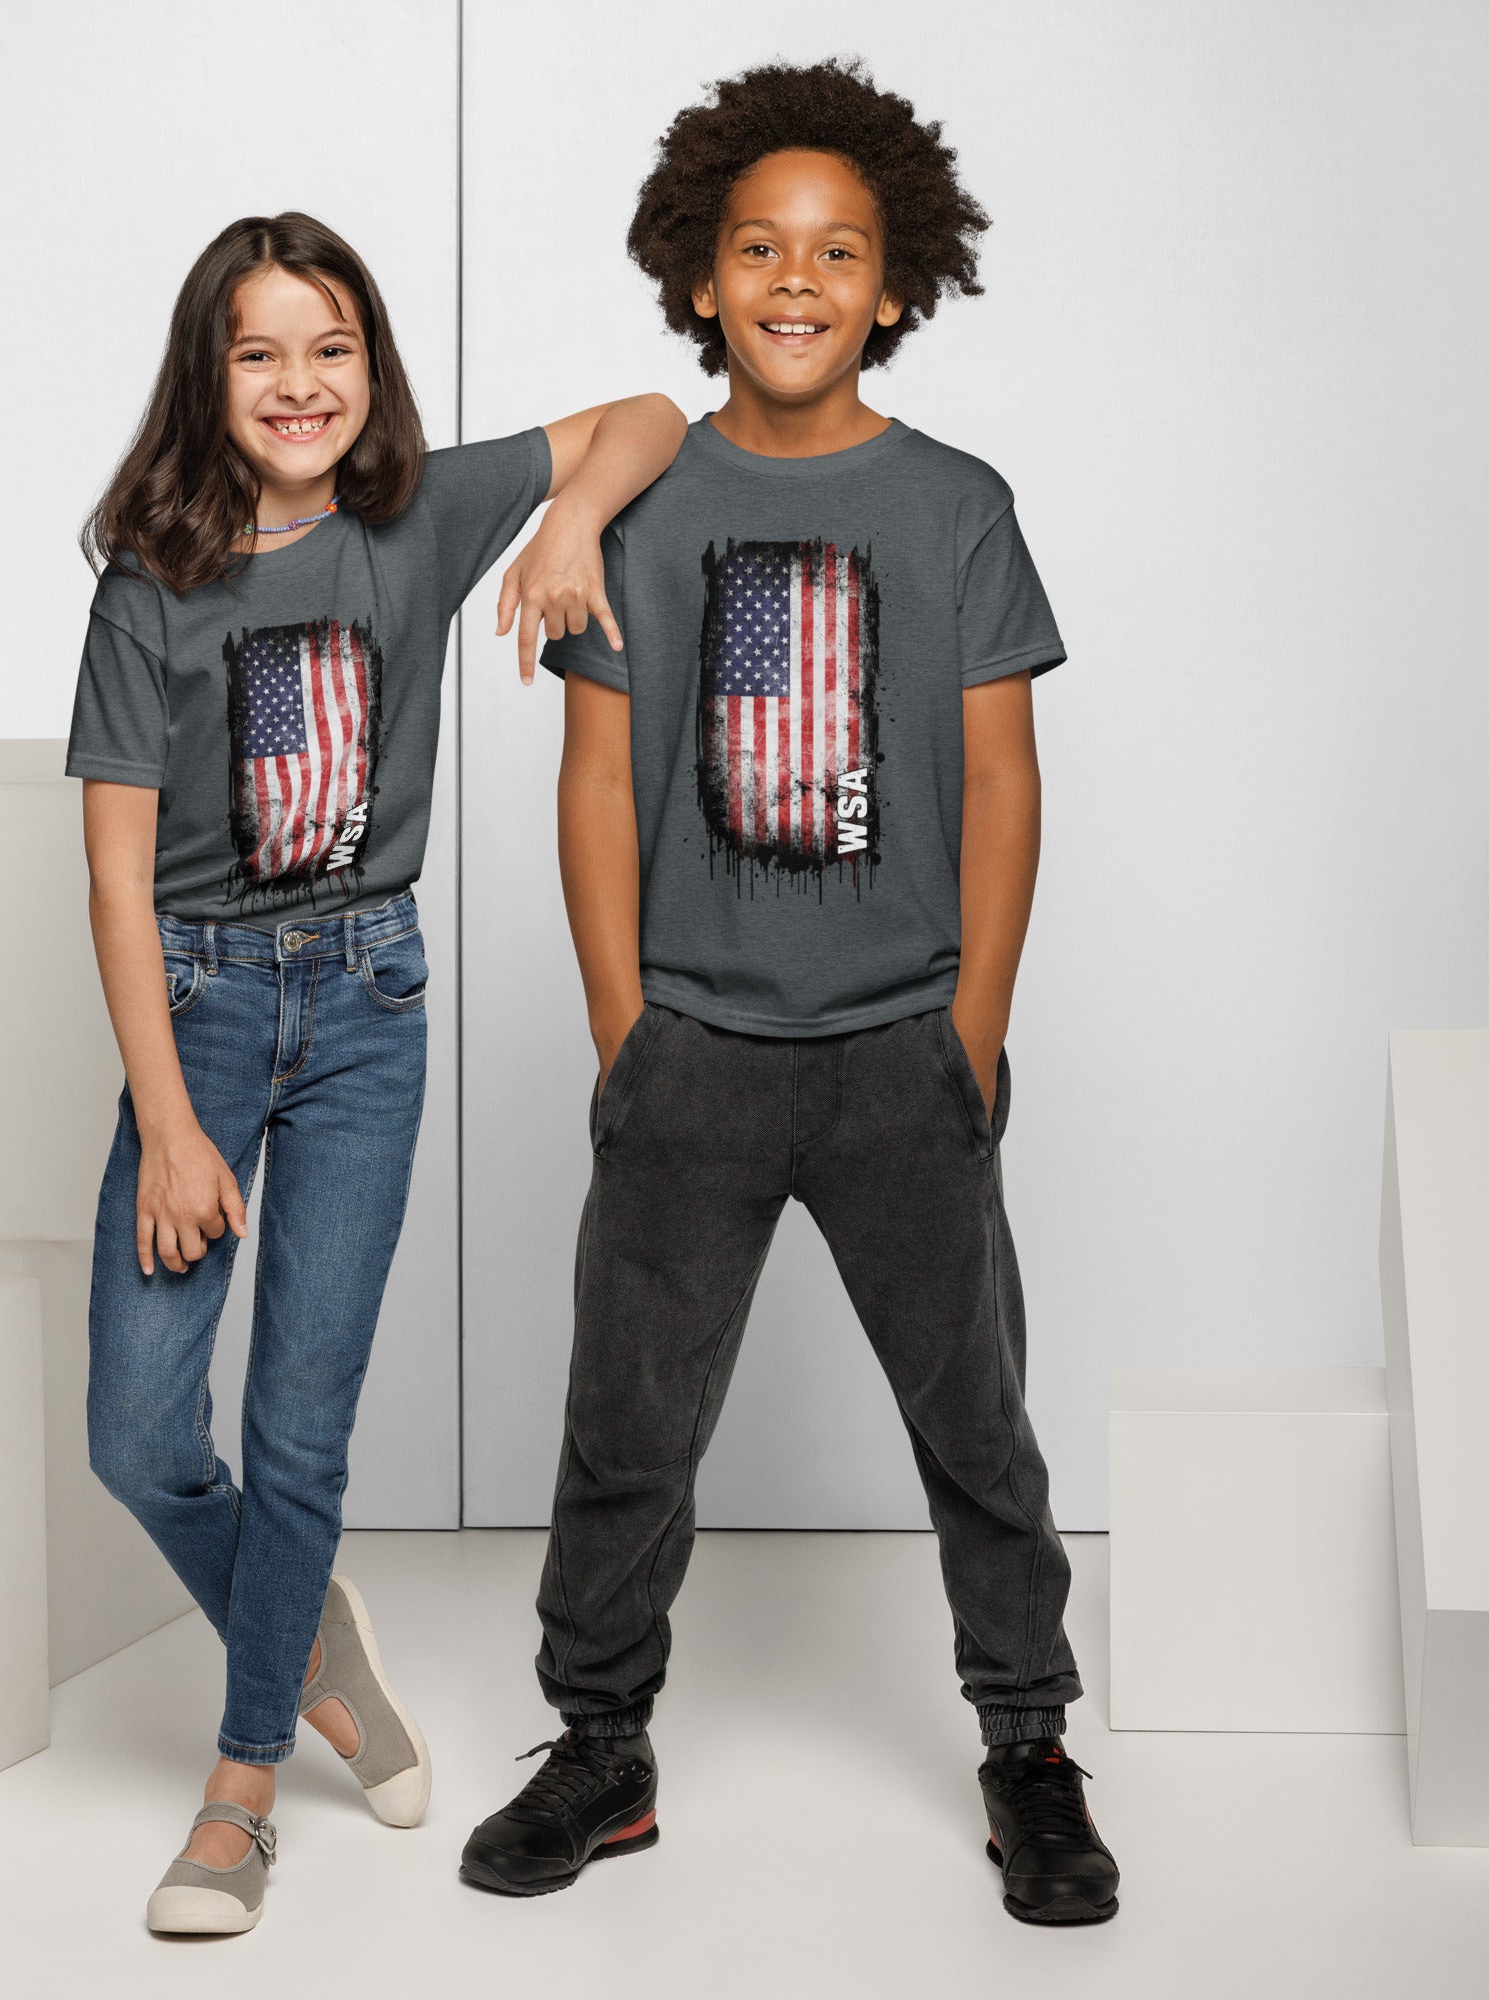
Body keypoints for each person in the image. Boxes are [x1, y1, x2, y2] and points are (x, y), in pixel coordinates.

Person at [459, 62, 1120, 1926]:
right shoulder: (641, 506)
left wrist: (972, 1026)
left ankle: (1030, 1746)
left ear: (897, 285)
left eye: (840, 251)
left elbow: (1002, 777)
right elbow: (597, 778)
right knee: (628, 1424)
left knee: (976, 1422)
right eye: (759, 248)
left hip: (905, 1044)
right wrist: (624, 1025)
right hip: (697, 1053)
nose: (799, 278)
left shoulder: (957, 504)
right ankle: (601, 1747)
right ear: (699, 279)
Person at [69, 210, 684, 1937]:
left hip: (364, 1004)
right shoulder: (153, 578)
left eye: (329, 347)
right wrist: (174, 1126)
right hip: (192, 1003)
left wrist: (568, 516)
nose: (299, 383)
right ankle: (312, 1626)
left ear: (372, 364)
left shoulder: (417, 516)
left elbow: (650, 416)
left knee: (299, 1424)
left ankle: (243, 1787)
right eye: (259, 351)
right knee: (137, 1425)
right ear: (210, 373)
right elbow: (116, 874)